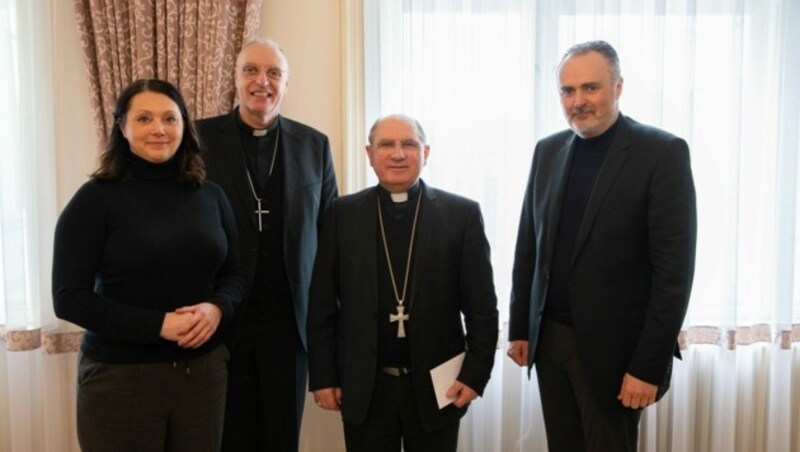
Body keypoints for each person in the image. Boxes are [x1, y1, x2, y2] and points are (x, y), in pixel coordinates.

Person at [507, 40, 697, 451]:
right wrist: (521, 326)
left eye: (590, 88)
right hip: (550, 342)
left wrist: (647, 366)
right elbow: (529, 245)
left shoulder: (662, 153)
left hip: (617, 352)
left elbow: (674, 276)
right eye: (567, 91)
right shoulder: (547, 151)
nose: (578, 101)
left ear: (618, 87)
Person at [52, 78, 244, 451]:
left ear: (184, 127)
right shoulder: (94, 201)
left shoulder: (211, 195)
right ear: (122, 128)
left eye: (169, 119)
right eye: (144, 119)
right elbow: (68, 297)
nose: (158, 129)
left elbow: (234, 274)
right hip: (121, 379)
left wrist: (217, 308)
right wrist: (159, 325)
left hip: (202, 377)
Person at [307, 114, 498, 452]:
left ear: (425, 153)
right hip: (366, 388)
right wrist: (324, 377)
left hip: (437, 386)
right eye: (386, 144)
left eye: (408, 144)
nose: (398, 154)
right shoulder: (342, 215)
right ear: (370, 154)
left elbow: (482, 308)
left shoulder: (461, 215)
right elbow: (322, 305)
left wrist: (475, 375)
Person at [195, 37, 338, 451]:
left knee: (281, 439)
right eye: (251, 70)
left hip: (289, 327)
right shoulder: (199, 139)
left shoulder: (315, 145)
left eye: (274, 73)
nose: (263, 81)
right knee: (226, 439)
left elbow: (329, 239)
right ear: (235, 79)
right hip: (222, 321)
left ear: (286, 84)